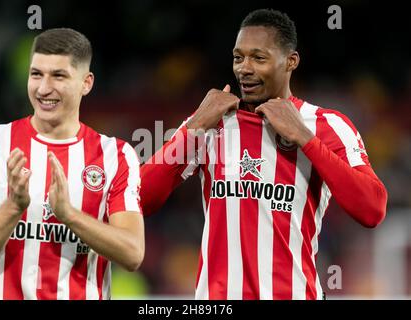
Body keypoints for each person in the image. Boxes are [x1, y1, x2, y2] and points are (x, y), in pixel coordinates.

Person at [140, 9, 388, 300]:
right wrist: (193, 127)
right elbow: (139, 197)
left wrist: (305, 139)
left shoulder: (325, 125)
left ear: (290, 62)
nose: (244, 68)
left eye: (258, 58)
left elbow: (372, 209)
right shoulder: (211, 122)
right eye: (238, 57)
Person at [0, 28, 144, 300]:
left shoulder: (115, 156)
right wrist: (13, 207)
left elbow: (132, 253)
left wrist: (69, 214)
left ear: (86, 82)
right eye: (36, 74)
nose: (44, 88)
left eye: (59, 76)